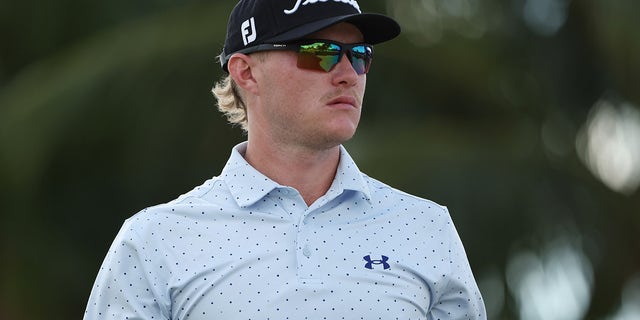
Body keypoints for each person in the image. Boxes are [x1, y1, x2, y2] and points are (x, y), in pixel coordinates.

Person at [84, 0, 487, 319]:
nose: (349, 73)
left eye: (360, 54)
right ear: (246, 73)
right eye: (320, 52)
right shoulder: (154, 240)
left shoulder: (427, 229)